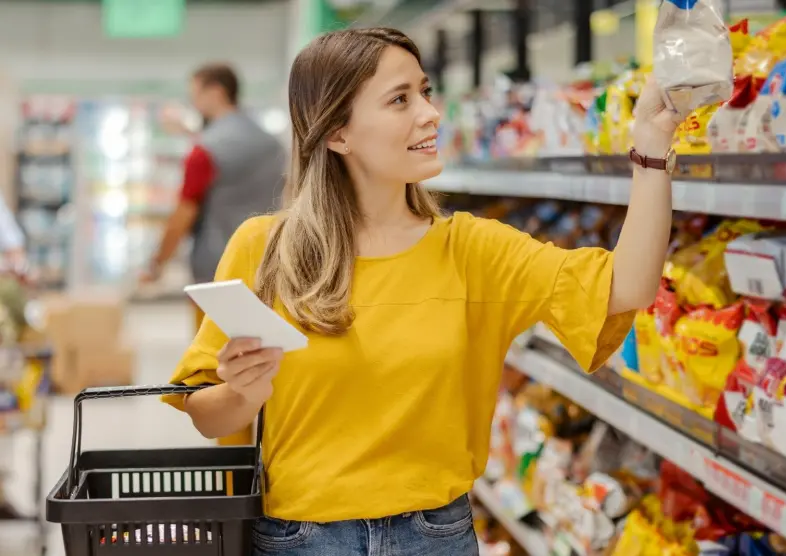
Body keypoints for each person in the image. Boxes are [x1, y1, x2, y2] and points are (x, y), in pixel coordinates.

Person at [163, 28, 680, 556]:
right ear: (338, 133)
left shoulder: (472, 251)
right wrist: (243, 392)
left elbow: (627, 286)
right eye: (400, 99)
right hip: (300, 540)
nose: (431, 113)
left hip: (436, 538)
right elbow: (206, 414)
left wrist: (652, 148)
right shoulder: (266, 249)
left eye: (425, 92)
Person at [147, 64, 285, 447]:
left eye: (195, 93)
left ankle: (234, 472)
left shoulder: (204, 151)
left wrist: (156, 263)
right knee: (271, 371)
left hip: (216, 276)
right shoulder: (272, 145)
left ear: (215, 92)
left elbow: (183, 213)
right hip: (274, 269)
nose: (193, 102)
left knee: (222, 379)